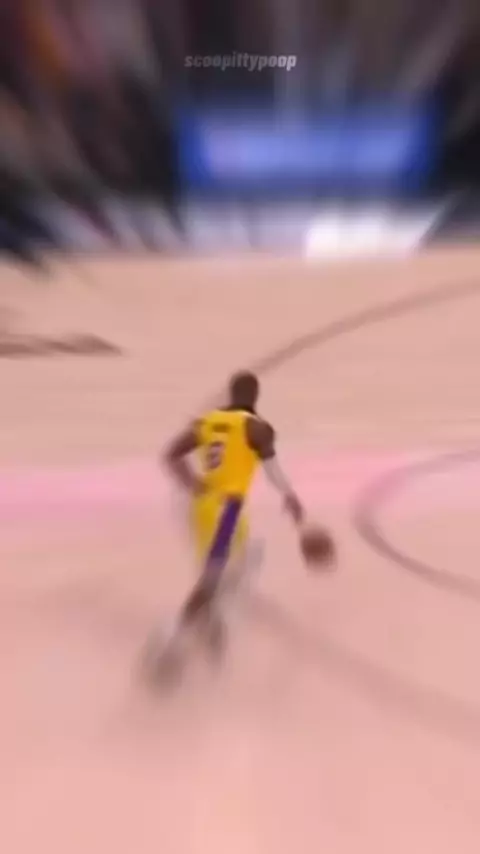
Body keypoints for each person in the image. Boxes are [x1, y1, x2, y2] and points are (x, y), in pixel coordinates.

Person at [148, 370, 304, 684]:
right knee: (228, 574)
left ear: (232, 393)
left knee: (234, 568)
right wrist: (290, 495)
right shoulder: (257, 428)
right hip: (227, 512)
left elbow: (170, 455)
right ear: (255, 395)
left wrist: (192, 483)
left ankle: (209, 630)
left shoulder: (208, 422)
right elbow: (272, 469)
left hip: (202, 508)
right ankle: (174, 640)